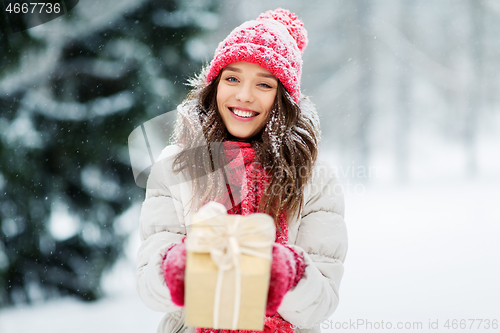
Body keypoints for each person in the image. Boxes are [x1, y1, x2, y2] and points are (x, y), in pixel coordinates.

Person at [136, 8, 348, 333]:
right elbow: (150, 287)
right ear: (215, 85)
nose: (244, 96)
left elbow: (322, 301)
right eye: (232, 78)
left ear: (283, 98)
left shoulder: (315, 178)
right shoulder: (174, 167)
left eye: (264, 84)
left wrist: (286, 272)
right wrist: (177, 266)